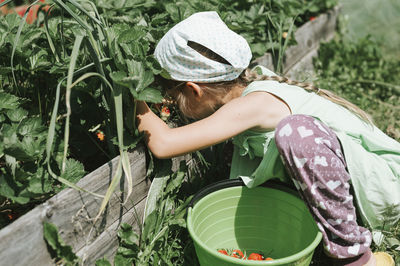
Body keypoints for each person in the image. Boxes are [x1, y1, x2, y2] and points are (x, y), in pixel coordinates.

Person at [136, 11, 399, 266]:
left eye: (170, 94)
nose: (167, 102)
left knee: (295, 134)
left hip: (385, 192)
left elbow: (163, 144)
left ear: (195, 91)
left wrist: (134, 94)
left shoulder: (253, 105)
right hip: (364, 183)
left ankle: (355, 257)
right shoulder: (248, 91)